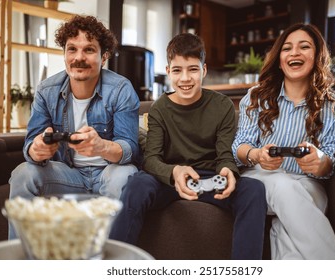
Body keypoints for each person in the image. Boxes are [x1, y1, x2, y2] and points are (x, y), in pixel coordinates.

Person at [109, 33, 267, 259]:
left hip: (210, 178)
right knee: (137, 185)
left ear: (203, 70)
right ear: (168, 71)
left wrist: (228, 171)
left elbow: (224, 155)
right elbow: (152, 159)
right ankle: (112, 265)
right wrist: (174, 172)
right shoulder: (159, 108)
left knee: (254, 189)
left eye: (192, 69)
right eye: (177, 70)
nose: (185, 78)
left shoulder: (222, 105)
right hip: (170, 179)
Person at [8, 15, 140, 238]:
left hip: (108, 173)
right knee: (23, 173)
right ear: (64, 54)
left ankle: (105, 263)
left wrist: (101, 147)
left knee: (123, 176)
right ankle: (22, 263)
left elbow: (130, 149)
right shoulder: (46, 90)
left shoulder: (120, 89)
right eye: (72, 49)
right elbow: (31, 144)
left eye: (89, 50)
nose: (79, 58)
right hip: (68, 175)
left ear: (104, 56)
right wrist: (37, 149)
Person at [232, 23, 335, 260]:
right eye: (287, 49)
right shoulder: (257, 97)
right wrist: (257, 155)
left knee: (287, 229)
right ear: (279, 58)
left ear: (316, 56)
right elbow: (239, 146)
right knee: (283, 184)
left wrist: (321, 160)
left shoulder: (333, 106)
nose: (294, 53)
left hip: (309, 184)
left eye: (304, 47)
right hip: (260, 179)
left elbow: (330, 159)